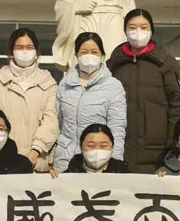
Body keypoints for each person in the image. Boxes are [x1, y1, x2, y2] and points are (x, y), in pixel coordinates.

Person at [107, 9, 180, 173]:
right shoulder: (114, 64)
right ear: (125, 31)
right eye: (132, 27)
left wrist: (172, 142)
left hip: (157, 150)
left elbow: (179, 104)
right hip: (119, 147)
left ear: (151, 30)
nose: (138, 32)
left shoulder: (166, 63)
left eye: (144, 27)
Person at [0, 27, 58, 173]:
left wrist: (36, 150)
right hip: (3, 162)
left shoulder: (48, 82)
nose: (25, 51)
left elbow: (51, 120)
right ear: (11, 51)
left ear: (37, 52)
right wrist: (8, 152)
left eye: (29, 47)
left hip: (37, 162)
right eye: (19, 47)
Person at [52, 32, 127, 173]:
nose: (89, 56)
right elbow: (59, 122)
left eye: (94, 52)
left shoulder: (113, 86)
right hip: (65, 158)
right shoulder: (65, 84)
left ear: (102, 56)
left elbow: (117, 128)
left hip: (97, 160)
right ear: (76, 55)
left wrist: (115, 164)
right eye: (84, 52)